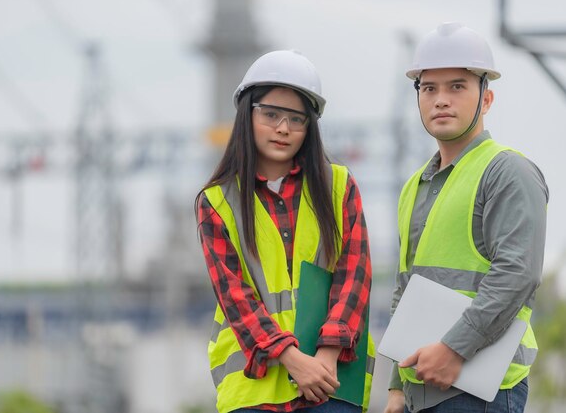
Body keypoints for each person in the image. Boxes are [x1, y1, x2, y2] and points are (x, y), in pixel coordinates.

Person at [195, 50, 375, 413]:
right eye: (271, 114)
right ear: (247, 114)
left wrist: (326, 356)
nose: (283, 129)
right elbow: (236, 297)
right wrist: (294, 360)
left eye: (296, 119)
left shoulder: (338, 186)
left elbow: (354, 274)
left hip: (332, 383)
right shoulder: (216, 201)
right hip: (254, 391)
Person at [383, 22, 549, 413]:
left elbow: (517, 274)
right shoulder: (415, 186)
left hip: (478, 390)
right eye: (429, 88)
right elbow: (405, 288)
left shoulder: (508, 171)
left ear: (486, 100)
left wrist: (454, 349)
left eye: (457, 87)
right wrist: (395, 386)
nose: (441, 100)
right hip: (420, 388)